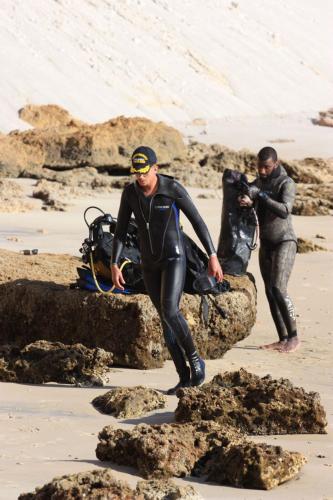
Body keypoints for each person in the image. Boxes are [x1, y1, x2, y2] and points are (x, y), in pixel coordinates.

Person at [111, 146, 223, 393]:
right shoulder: (130, 193)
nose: (140, 178)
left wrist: (212, 256)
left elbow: (198, 222)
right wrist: (114, 263)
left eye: (143, 172)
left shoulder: (171, 189)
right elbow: (119, 231)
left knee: (171, 311)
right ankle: (184, 378)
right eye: (135, 173)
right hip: (149, 264)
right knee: (164, 319)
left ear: (155, 168)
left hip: (174, 258)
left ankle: (196, 360)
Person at [239, 146, 300, 353]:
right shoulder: (260, 181)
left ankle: (294, 337)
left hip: (285, 241)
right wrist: (246, 199)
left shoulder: (286, 183)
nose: (262, 171)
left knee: (278, 288)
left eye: (266, 167)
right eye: (259, 167)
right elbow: (251, 193)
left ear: (276, 163)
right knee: (269, 292)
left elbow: (285, 210)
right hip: (267, 243)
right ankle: (282, 338)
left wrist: (261, 196)